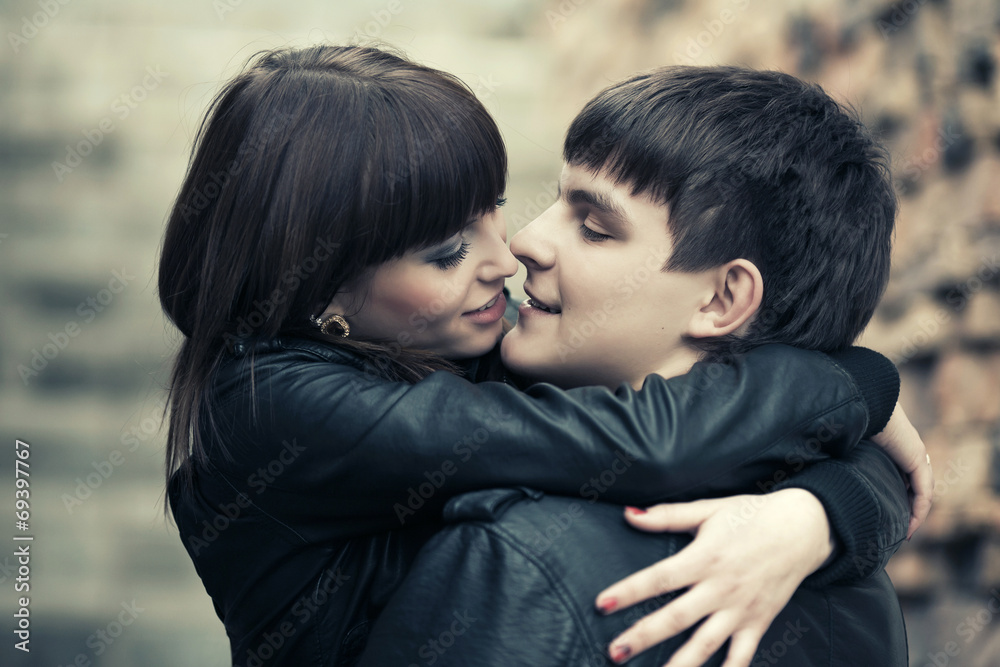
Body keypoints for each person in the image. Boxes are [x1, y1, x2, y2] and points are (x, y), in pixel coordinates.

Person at [158, 46, 925, 667]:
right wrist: (857, 387)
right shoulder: (278, 406)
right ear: (327, 294)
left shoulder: (516, 521)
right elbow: (646, 441)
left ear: (723, 299)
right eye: (448, 250)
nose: (516, 247)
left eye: (495, 208)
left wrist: (820, 509)